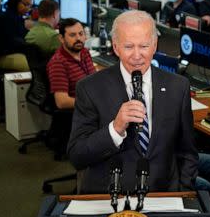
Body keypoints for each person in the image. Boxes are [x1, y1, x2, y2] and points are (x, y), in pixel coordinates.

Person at [67, 10, 198, 194]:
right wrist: (115, 129)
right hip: (111, 199)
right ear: (115, 47)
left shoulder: (178, 86)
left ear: (154, 46)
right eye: (128, 47)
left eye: (144, 46)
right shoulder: (90, 88)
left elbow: (187, 152)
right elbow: (77, 155)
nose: (137, 56)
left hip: (163, 197)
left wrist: (182, 192)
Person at [47, 18, 96, 157]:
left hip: (90, 102)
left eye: (81, 34)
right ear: (61, 38)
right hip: (79, 111)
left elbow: (93, 80)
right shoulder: (58, 63)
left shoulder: (84, 53)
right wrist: (92, 103)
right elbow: (61, 102)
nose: (79, 38)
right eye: (72, 35)